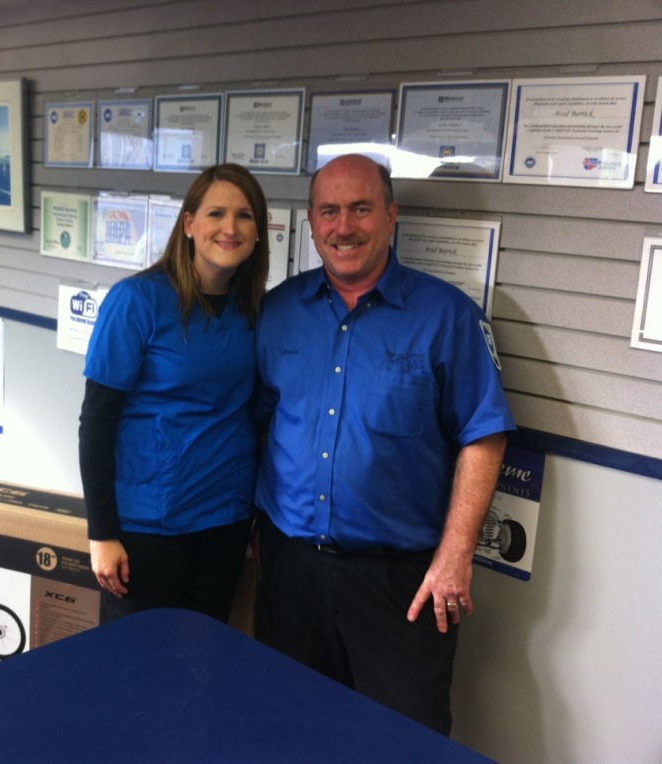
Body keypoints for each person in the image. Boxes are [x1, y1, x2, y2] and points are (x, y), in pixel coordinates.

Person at [254, 153, 514, 734]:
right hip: (292, 571)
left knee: (403, 742)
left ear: (391, 216)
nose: (343, 227)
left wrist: (455, 557)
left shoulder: (447, 316)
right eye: (329, 211)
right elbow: (258, 423)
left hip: (403, 584)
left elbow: (485, 435)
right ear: (313, 223)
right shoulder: (277, 312)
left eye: (361, 209)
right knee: (287, 731)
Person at [79, 164, 270, 624]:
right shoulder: (136, 301)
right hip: (149, 526)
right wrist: (101, 532)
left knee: (202, 664)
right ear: (188, 224)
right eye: (216, 214)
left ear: (259, 232)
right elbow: (97, 422)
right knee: (135, 671)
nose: (230, 228)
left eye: (244, 216)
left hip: (224, 519)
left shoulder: (257, 310)